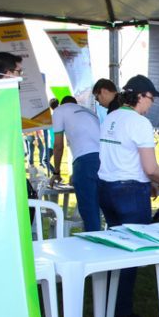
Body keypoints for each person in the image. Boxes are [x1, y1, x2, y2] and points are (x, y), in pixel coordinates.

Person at [97, 75, 159, 317]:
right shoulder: (140, 123)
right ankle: (122, 311)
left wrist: (149, 180)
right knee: (133, 250)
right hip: (129, 191)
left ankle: (108, 303)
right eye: (151, 98)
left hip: (107, 188)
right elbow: (150, 167)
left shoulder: (111, 117)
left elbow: (122, 157)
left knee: (116, 247)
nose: (151, 104)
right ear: (139, 96)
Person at [51, 94, 104, 232]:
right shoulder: (89, 112)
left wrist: (56, 172)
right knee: (107, 211)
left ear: (62, 104)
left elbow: (58, 145)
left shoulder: (59, 110)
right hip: (105, 160)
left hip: (85, 162)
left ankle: (93, 250)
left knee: (90, 213)